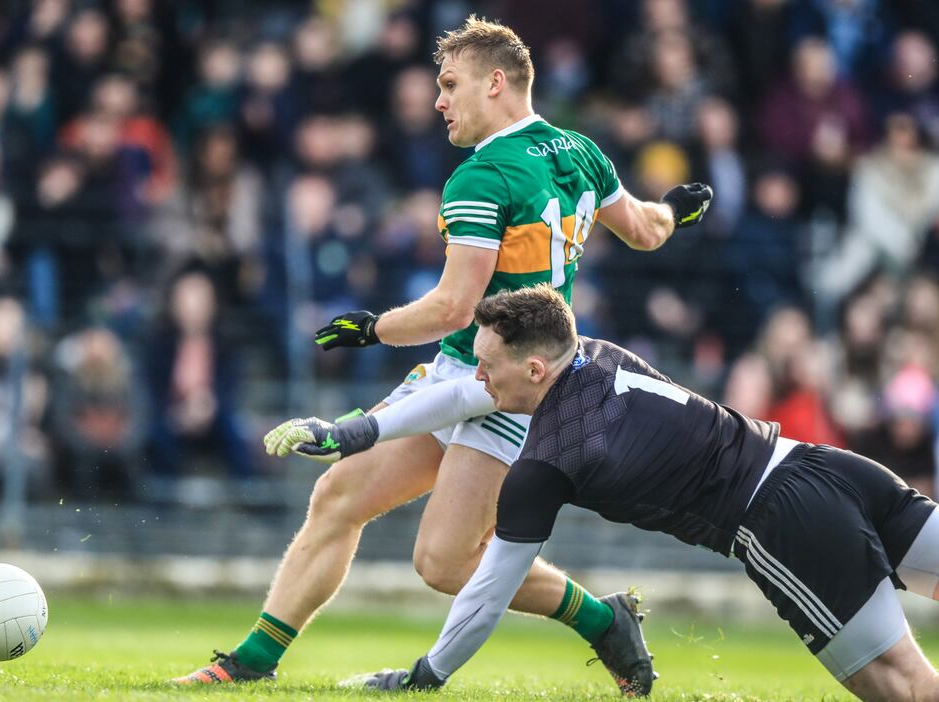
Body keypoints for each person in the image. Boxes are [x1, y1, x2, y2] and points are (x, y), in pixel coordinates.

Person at [173, 15, 712, 691]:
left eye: (450, 84)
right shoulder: (580, 152)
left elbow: (453, 308)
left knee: (446, 564)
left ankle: (603, 619)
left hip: (509, 386)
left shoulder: (482, 176)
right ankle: (251, 661)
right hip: (484, 370)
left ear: (496, 83)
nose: (438, 101)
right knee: (338, 495)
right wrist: (677, 210)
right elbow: (643, 230)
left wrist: (371, 327)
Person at [272, 284, 939, 702]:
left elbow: (484, 594)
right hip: (830, 467)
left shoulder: (547, 462)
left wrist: (426, 677)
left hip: (786, 525)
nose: (478, 377)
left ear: (532, 368)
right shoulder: (591, 351)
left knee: (908, 689)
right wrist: (356, 432)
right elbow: (458, 393)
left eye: (486, 363)